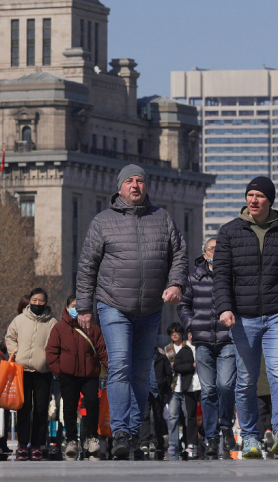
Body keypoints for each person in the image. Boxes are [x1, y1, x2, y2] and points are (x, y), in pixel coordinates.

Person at [75, 164, 187, 460]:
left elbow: (179, 254)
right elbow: (87, 267)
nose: (135, 185)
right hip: (113, 304)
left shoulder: (162, 218)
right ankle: (120, 430)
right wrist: (84, 307)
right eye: (129, 181)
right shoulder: (102, 222)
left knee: (141, 373)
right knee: (121, 365)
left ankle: (134, 432)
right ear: (120, 187)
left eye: (140, 180)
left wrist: (175, 283)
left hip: (150, 308)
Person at [213, 175, 278, 459]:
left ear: (270, 201)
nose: (253, 200)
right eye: (250, 195)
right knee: (245, 380)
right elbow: (221, 276)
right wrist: (224, 307)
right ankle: (250, 438)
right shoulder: (229, 231)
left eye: (260, 196)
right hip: (243, 318)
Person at [178, 236, 237, 460]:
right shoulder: (194, 277)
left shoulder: (231, 277)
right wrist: (191, 324)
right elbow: (183, 305)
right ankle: (211, 437)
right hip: (203, 342)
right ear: (205, 254)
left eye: (220, 249)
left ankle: (226, 427)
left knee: (225, 385)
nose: (217, 252)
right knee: (209, 390)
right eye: (213, 249)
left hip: (227, 340)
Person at [46, 294, 107, 460]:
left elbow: (102, 351)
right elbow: (51, 352)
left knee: (93, 405)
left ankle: (91, 438)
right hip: (68, 375)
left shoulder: (93, 328)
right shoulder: (59, 328)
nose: (76, 309)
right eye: (73, 306)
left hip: (90, 375)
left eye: (79, 306)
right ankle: (71, 440)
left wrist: (111, 369)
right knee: (69, 408)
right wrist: (59, 372)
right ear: (67, 308)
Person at [5, 287, 57, 460]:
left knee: (41, 410)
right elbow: (9, 337)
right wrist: (16, 351)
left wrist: (50, 360)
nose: (37, 304)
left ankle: (36, 445)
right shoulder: (19, 320)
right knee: (24, 409)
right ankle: (22, 445)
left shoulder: (52, 323)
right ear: (30, 301)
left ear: (46, 302)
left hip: (43, 371)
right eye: (34, 300)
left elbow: (57, 345)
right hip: (22, 371)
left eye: (40, 301)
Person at [164, 323, 200, 459]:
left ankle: (188, 443)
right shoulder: (167, 349)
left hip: (188, 386)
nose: (174, 335)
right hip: (174, 387)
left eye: (176, 332)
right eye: (172, 333)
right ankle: (173, 444)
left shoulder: (188, 346)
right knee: (172, 417)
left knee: (188, 416)